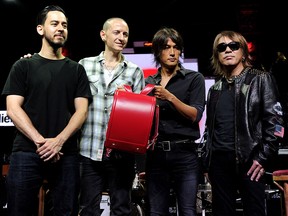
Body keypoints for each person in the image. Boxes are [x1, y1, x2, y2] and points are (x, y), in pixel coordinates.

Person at [1, 5, 92, 216]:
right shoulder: (23, 66)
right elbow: (13, 109)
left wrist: (58, 141)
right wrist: (41, 141)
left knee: (66, 211)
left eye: (64, 25)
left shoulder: (76, 70)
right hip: (26, 152)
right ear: (40, 29)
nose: (61, 28)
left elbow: (82, 112)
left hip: (65, 154)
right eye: (55, 24)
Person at [202, 30, 284, 216]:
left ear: (243, 52)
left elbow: (276, 124)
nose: (228, 50)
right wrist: (208, 162)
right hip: (219, 163)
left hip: (250, 161)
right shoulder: (215, 88)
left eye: (233, 46)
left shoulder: (261, 79)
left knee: (254, 212)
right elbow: (210, 128)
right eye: (222, 47)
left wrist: (262, 158)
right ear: (217, 54)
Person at [78, 17, 145, 216]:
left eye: (125, 34)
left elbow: (139, 117)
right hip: (89, 150)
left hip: (121, 155)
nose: (121, 38)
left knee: (121, 209)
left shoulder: (134, 71)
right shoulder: (84, 65)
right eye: (116, 32)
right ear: (103, 34)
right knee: (88, 209)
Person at [144, 27, 206, 216]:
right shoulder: (148, 81)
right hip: (156, 154)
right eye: (166, 47)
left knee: (188, 211)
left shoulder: (194, 78)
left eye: (176, 47)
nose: (172, 52)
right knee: (156, 211)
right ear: (157, 51)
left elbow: (195, 114)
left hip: (185, 153)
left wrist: (170, 97)